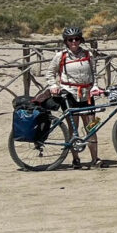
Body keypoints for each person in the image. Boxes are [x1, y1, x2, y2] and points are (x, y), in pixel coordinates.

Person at [46, 26, 104, 169]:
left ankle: (95, 158)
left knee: (92, 127)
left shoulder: (88, 54)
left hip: (87, 95)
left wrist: (95, 86)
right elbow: (50, 73)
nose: (74, 42)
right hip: (69, 95)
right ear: (66, 41)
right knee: (73, 127)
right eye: (70, 39)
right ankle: (76, 159)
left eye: (76, 39)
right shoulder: (60, 56)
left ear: (80, 40)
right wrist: (53, 85)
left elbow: (94, 73)